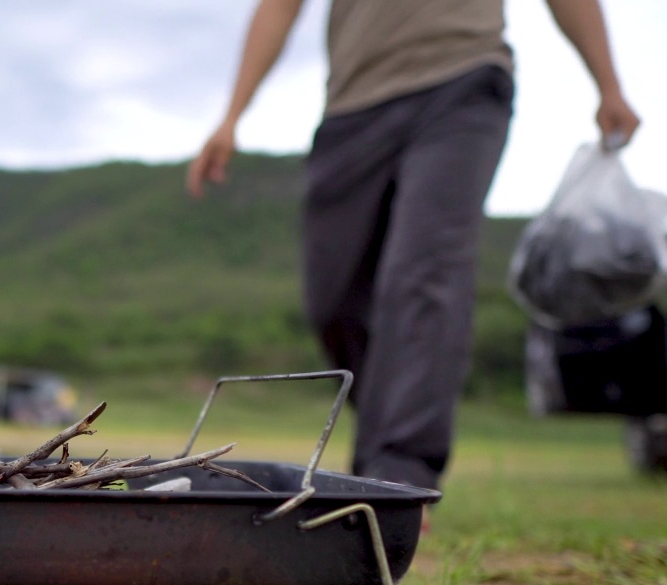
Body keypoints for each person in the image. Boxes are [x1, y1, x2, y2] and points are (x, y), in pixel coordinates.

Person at [186, 0, 640, 497]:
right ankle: (385, 443)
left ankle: (399, 476)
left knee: (423, 276)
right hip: (351, 107)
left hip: (462, 81)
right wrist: (231, 114)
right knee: (333, 300)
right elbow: (279, 7)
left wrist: (609, 86)